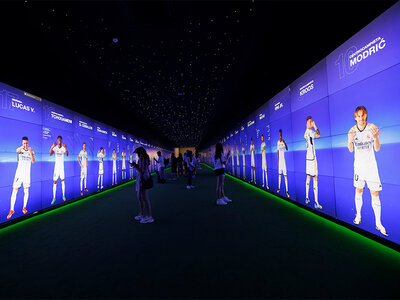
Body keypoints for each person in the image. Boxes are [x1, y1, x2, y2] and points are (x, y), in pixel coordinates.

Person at [348, 106, 387, 236]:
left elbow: (377, 149)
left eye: (363, 115)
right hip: (359, 167)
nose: (361, 118)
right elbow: (350, 149)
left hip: (371, 167)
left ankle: (378, 223)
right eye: (358, 116)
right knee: (358, 190)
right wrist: (350, 141)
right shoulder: (352, 131)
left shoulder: (372, 127)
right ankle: (358, 215)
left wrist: (376, 138)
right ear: (355, 118)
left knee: (375, 193)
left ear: (366, 116)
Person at [7, 136, 35, 219]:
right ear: (22, 143)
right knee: (14, 190)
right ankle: (12, 209)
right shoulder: (20, 150)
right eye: (24, 143)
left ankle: (24, 207)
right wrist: (22, 147)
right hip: (19, 174)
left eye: (26, 143)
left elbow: (33, 161)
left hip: (27, 174)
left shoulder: (31, 151)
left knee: (26, 191)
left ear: (28, 143)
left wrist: (31, 153)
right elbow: (17, 151)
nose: (25, 144)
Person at [131, 147, 154, 223]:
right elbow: (143, 168)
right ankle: (143, 214)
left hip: (142, 178)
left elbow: (141, 170)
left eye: (137, 152)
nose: (136, 154)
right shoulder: (145, 157)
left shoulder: (142, 157)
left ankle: (149, 216)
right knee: (141, 197)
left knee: (144, 197)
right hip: (144, 177)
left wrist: (134, 166)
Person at [304, 116, 322, 209]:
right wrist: (315, 126)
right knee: (315, 178)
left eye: (312, 122)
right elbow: (319, 135)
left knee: (308, 177)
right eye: (310, 122)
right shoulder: (310, 132)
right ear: (307, 124)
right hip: (312, 158)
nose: (311, 123)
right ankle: (316, 202)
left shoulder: (306, 132)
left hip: (308, 158)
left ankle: (307, 197)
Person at [50, 136, 68, 204]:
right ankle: (54, 197)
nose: (59, 141)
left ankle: (63, 195)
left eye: (60, 140)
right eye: (59, 140)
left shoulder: (63, 148)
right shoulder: (55, 147)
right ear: (57, 140)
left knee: (63, 181)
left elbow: (67, 154)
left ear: (61, 140)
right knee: (55, 182)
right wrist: (52, 146)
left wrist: (66, 148)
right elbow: (50, 153)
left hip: (61, 168)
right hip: (56, 168)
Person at [277, 129, 289, 197]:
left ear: (282, 134)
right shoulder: (278, 142)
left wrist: (285, 142)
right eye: (279, 134)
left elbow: (287, 148)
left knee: (285, 176)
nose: (280, 135)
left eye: (281, 134)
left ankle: (287, 191)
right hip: (280, 162)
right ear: (279, 135)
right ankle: (279, 188)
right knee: (279, 175)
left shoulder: (283, 141)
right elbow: (277, 151)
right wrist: (277, 161)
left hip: (283, 162)